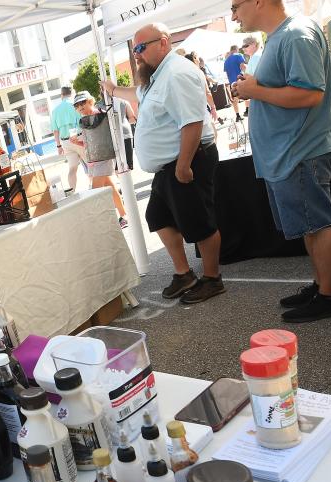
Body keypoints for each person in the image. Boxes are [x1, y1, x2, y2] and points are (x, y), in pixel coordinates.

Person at [233, 0, 331, 321]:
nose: (233, 15)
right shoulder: (285, 34)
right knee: (311, 225)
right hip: (291, 151)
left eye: (235, 6)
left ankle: (330, 296)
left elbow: (309, 94)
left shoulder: (296, 34)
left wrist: (255, 90)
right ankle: (323, 286)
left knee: (320, 223)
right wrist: (252, 88)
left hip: (300, 150)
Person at [104, 23, 225, 305]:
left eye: (140, 48)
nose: (136, 55)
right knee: (157, 217)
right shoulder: (158, 76)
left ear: (163, 42)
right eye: (134, 49)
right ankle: (184, 274)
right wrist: (113, 90)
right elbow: (139, 94)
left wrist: (184, 164)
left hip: (187, 160)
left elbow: (192, 121)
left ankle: (212, 279)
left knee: (200, 223)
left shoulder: (177, 73)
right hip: (169, 166)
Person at [70, 91, 129, 229]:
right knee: (111, 187)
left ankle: (98, 223)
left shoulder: (99, 115)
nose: (80, 107)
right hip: (96, 158)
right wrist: (76, 143)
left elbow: (104, 139)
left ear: (90, 101)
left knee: (95, 191)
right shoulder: (85, 120)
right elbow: (91, 144)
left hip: (103, 157)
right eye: (77, 105)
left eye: (82, 103)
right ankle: (124, 215)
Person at [51, 86, 86, 193]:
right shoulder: (76, 105)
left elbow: (55, 130)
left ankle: (72, 192)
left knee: (72, 168)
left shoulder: (55, 110)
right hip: (79, 137)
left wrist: (58, 146)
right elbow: (83, 121)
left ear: (61, 95)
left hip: (65, 142)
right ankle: (96, 187)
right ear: (72, 94)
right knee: (91, 163)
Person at [223, 44, 247, 120]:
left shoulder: (226, 61)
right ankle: (247, 110)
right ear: (236, 49)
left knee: (235, 100)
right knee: (249, 95)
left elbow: (227, 74)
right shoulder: (238, 55)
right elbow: (243, 66)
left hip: (232, 83)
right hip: (240, 80)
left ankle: (237, 115)